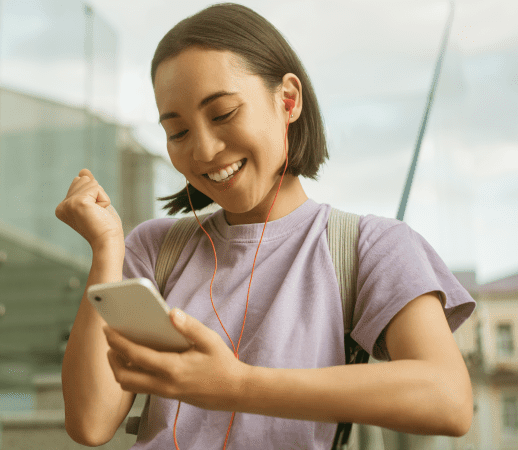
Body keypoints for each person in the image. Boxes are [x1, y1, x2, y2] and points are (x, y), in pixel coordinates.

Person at [56, 3, 475, 449]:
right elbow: (91, 422)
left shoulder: (370, 248)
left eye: (222, 114)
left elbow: (448, 399)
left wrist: (235, 385)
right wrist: (106, 249)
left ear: (287, 100)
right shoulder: (155, 250)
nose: (203, 150)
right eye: (177, 132)